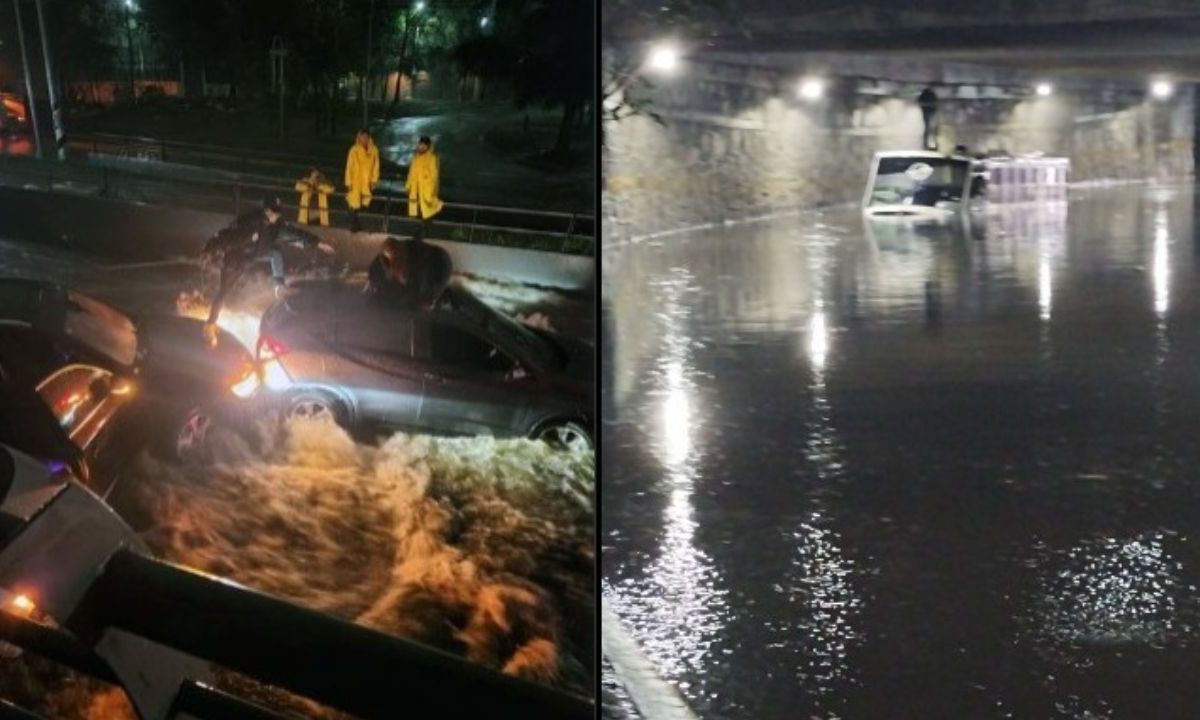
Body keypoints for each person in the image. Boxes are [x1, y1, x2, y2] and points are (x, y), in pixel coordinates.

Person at [203, 197, 334, 345]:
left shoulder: (277, 225)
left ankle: (279, 285)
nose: (276, 216)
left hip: (257, 252)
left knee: (275, 253)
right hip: (237, 258)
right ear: (266, 211)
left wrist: (317, 242)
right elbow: (226, 236)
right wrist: (211, 248)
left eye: (278, 213)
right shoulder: (249, 222)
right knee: (224, 290)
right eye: (274, 212)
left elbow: (295, 233)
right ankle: (210, 323)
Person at [405, 135, 443, 240]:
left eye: (423, 146)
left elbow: (434, 176)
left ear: (428, 146)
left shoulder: (432, 158)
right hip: (416, 189)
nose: (421, 147)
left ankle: (423, 232)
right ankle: (421, 231)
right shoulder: (416, 158)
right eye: (420, 145)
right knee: (419, 211)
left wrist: (430, 190)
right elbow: (411, 173)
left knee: (426, 211)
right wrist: (408, 185)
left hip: (425, 190)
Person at [344, 129, 380, 233]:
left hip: (367, 182)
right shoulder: (353, 150)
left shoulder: (374, 150)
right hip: (355, 182)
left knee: (366, 203)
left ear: (369, 138)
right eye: (361, 137)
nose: (363, 139)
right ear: (358, 138)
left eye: (365, 137)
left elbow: (376, 167)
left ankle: (367, 225)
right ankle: (353, 225)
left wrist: (374, 180)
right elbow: (349, 166)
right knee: (353, 203)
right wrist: (348, 182)